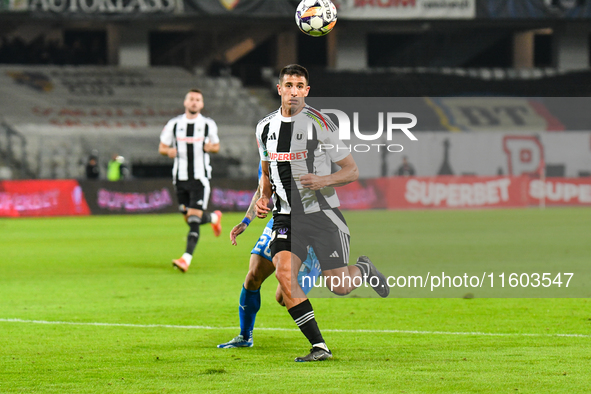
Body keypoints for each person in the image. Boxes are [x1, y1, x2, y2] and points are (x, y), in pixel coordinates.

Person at [254, 64, 389, 362]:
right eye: (288, 85)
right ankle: (319, 346)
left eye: (299, 85)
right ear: (279, 89)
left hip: (322, 214)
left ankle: (364, 268)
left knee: (339, 286)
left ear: (306, 91)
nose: (293, 91)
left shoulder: (320, 123)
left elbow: (351, 170)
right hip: (286, 217)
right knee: (285, 278)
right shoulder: (264, 127)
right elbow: (266, 172)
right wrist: (264, 198)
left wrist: (323, 180)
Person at [217, 165, 321, 349]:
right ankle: (245, 336)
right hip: (280, 220)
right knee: (254, 275)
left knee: (283, 298)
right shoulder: (267, 144)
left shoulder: (306, 145)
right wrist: (246, 221)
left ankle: (321, 264)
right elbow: (263, 187)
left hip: (308, 223)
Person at [159, 89, 223, 273]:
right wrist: (168, 151)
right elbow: (162, 147)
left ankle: (186, 259)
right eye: (191, 99)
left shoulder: (208, 124)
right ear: (185, 102)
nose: (194, 102)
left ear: (201, 104)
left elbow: (216, 146)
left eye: (198, 100)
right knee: (189, 218)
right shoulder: (174, 124)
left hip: (199, 178)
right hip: (179, 178)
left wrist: (211, 147)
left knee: (194, 219)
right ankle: (213, 217)